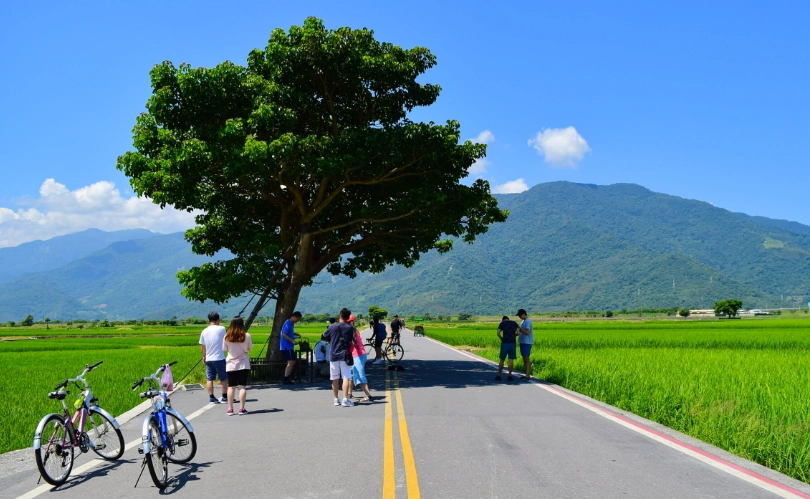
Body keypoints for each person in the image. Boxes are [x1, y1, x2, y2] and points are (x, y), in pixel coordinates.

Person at [321, 308, 356, 407]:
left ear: (339, 316)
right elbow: (349, 340)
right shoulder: (350, 328)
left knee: (335, 378)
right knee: (346, 377)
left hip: (333, 355)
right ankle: (345, 399)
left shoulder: (332, 326)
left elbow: (324, 335)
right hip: (345, 355)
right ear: (348, 317)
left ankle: (336, 399)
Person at [223, 316, 253, 415]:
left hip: (231, 364)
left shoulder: (227, 336)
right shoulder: (247, 335)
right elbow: (250, 348)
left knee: (231, 387)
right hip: (243, 364)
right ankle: (241, 409)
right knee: (242, 387)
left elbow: (225, 349)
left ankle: (230, 409)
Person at [199, 311, 228, 404]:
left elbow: (202, 345)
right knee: (223, 378)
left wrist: (204, 356)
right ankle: (224, 397)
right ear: (218, 320)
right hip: (219, 358)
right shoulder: (222, 329)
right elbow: (226, 340)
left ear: (209, 320)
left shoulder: (204, 331)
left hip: (209, 359)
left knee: (209, 378)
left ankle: (211, 398)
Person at [348, 315, 373, 402]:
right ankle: (349, 393)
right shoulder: (354, 330)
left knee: (359, 374)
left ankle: (368, 395)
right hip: (359, 355)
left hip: (358, 355)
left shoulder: (349, 331)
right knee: (352, 373)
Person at [495, 315, 519, 381]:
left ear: (503, 320)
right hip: (512, 343)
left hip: (505, 343)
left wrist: (501, 338)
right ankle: (510, 375)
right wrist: (514, 335)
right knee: (511, 360)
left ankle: (499, 375)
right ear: (508, 319)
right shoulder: (514, 323)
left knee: (502, 359)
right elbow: (518, 332)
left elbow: (498, 333)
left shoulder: (502, 323)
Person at [281, 311, 302, 385]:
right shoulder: (288, 323)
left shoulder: (291, 324)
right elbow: (284, 334)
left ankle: (287, 377)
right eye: (298, 319)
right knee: (291, 362)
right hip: (287, 346)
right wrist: (292, 341)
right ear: (294, 317)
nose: (297, 321)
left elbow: (289, 333)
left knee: (292, 362)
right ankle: (286, 378)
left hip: (289, 347)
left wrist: (296, 334)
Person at [517, 309, 534, 380]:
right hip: (523, 342)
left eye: (520, 315)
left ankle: (528, 375)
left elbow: (527, 332)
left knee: (526, 359)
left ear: (524, 314)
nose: (519, 317)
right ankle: (526, 374)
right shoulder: (523, 321)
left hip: (527, 342)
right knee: (524, 359)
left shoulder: (528, 321)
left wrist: (520, 329)